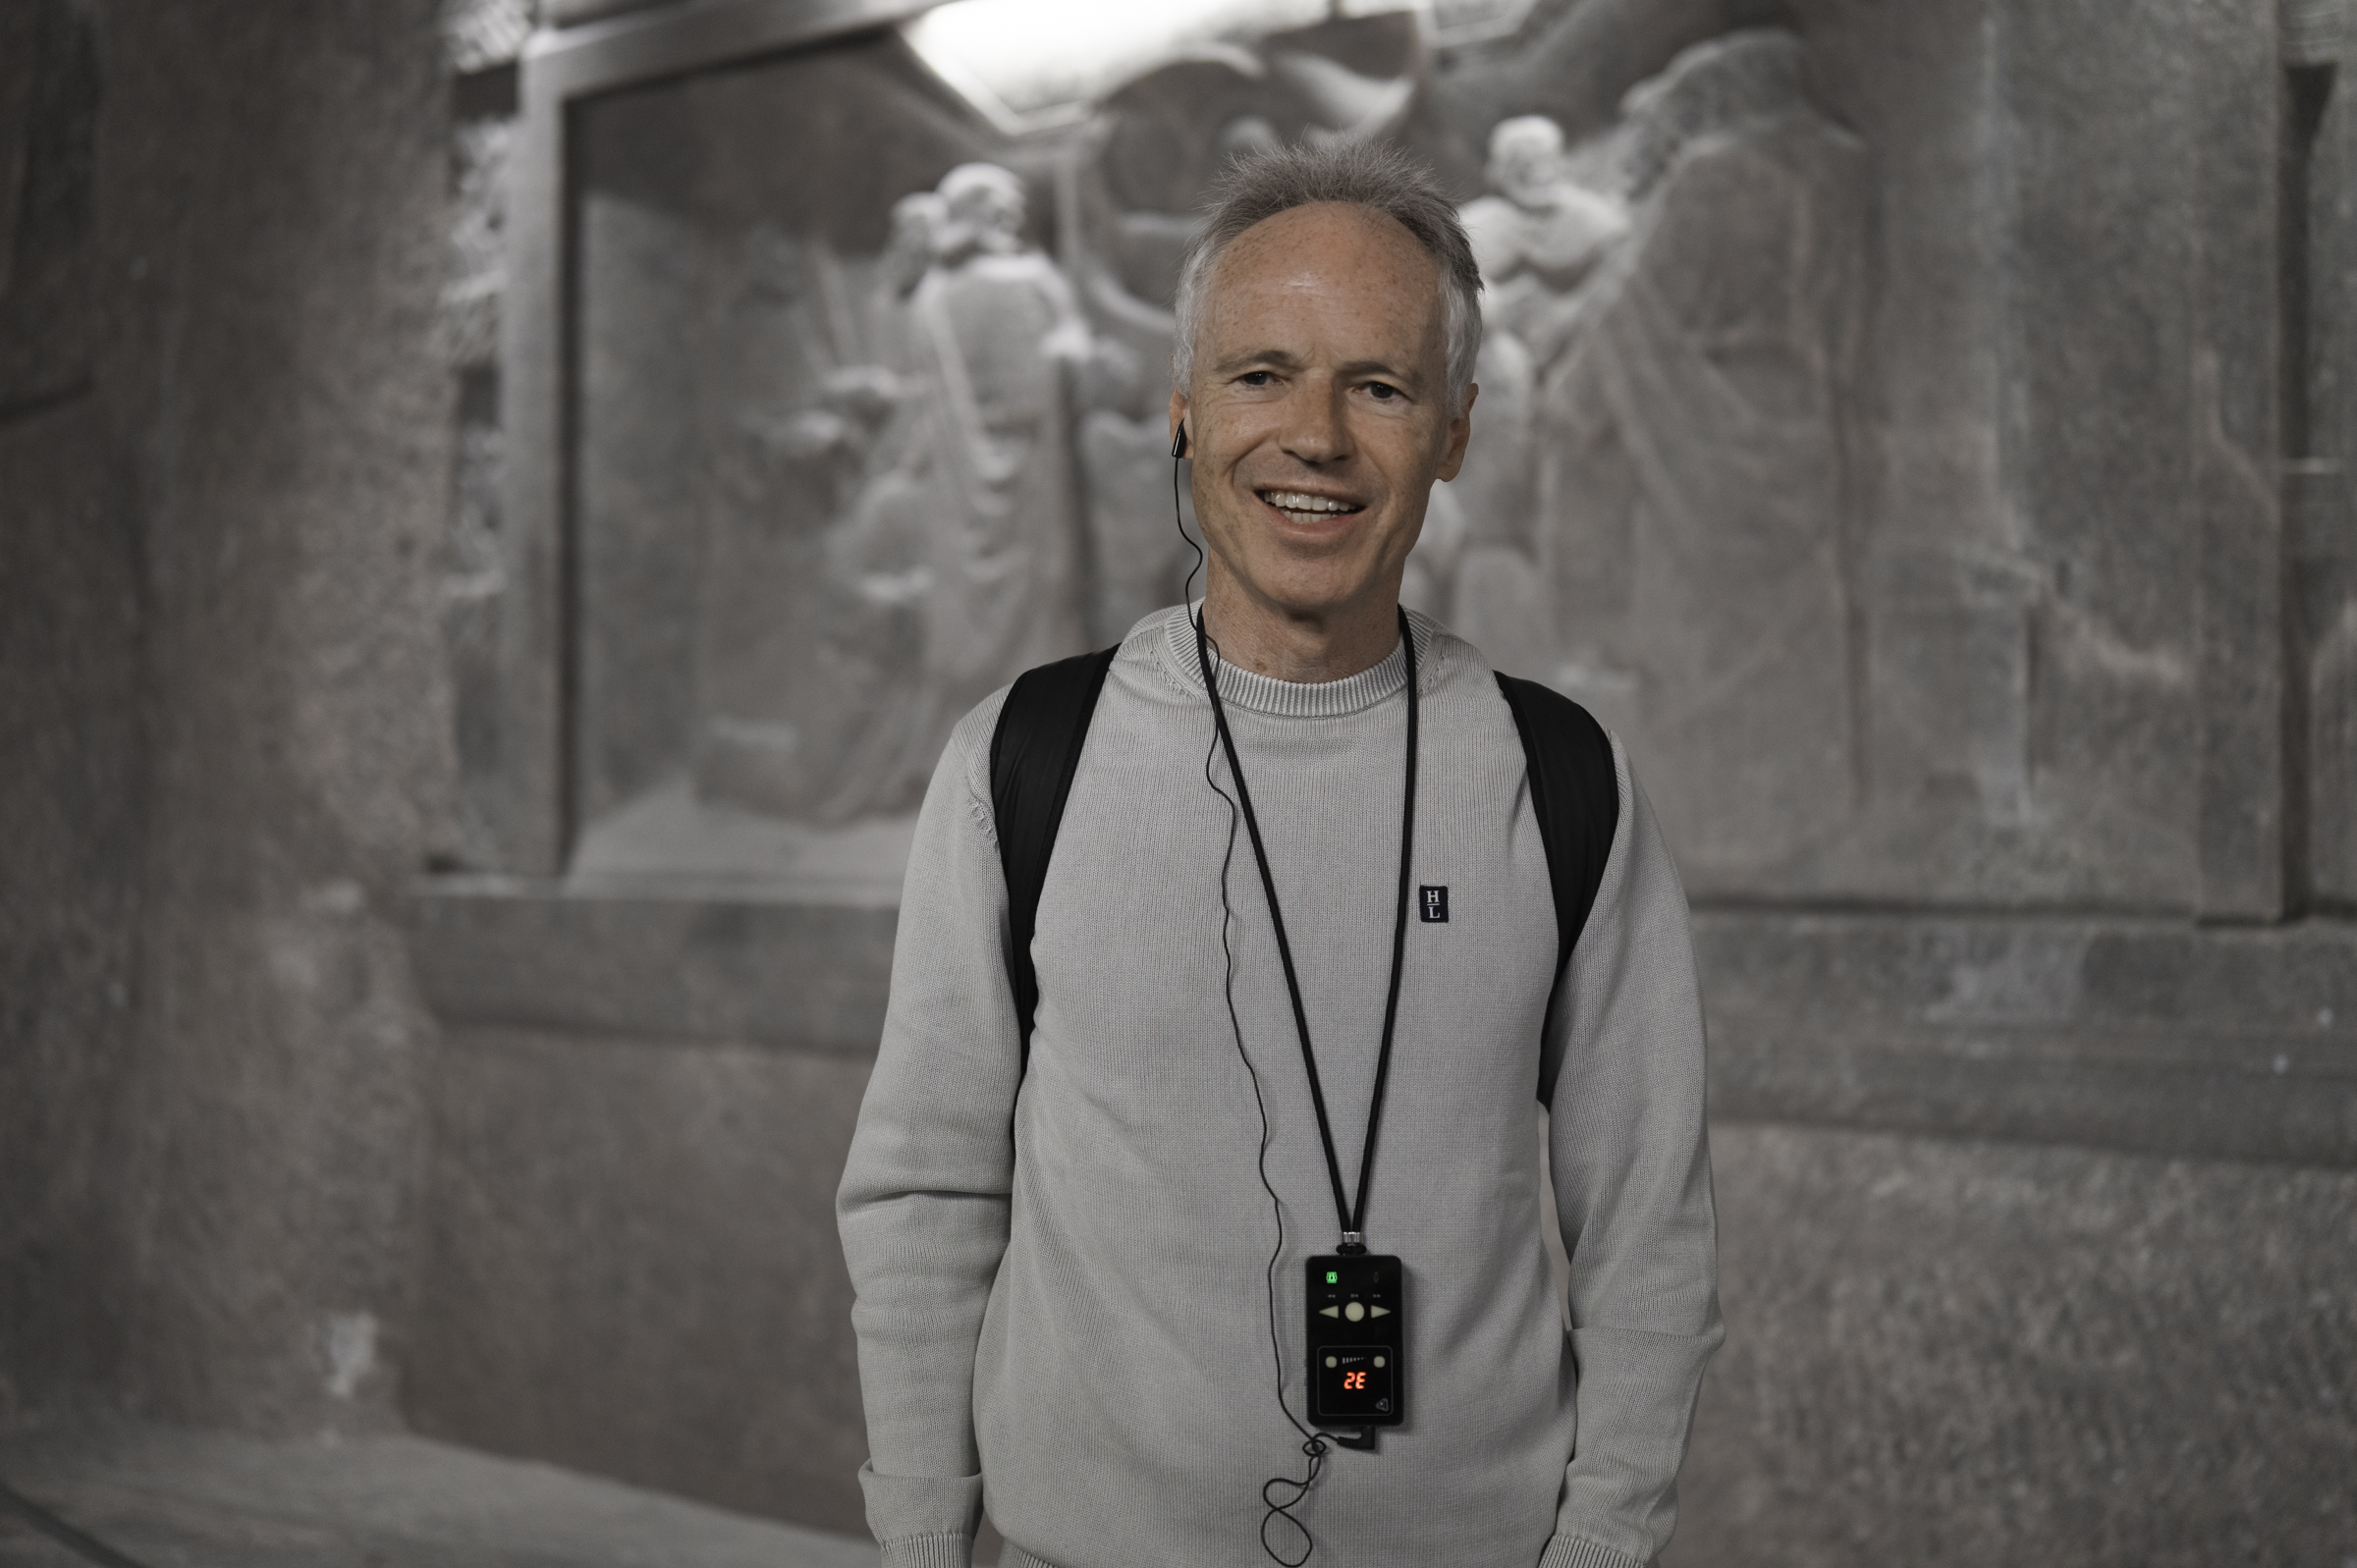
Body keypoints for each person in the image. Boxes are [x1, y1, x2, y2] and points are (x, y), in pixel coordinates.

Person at [838, 138, 1720, 1568]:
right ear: (1185, 411)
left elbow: (1647, 1230)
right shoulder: (1021, 758)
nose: (1314, 434)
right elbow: (927, 1192)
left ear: (1455, 430)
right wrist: (928, 1538)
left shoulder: (1560, 779)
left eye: (1378, 384)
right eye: (1261, 375)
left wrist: (1605, 1549)